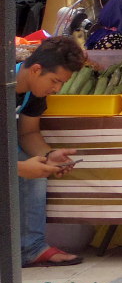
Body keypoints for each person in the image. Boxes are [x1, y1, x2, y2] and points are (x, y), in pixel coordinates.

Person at [16, 36, 86, 267]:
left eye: (62, 84)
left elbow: (27, 134)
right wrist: (20, 169)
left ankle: (31, 248)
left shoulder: (34, 93)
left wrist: (48, 156)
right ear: (36, 70)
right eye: (55, 81)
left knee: (35, 166)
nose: (56, 89)